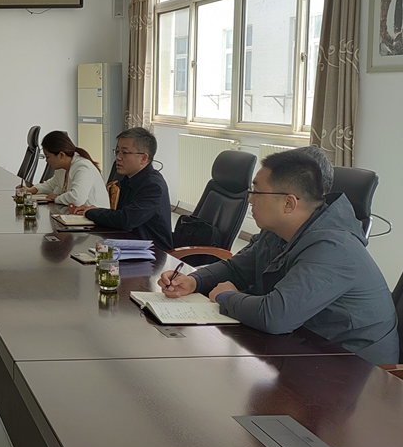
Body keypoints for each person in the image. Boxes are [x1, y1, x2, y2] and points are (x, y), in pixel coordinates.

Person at [159, 149, 398, 366]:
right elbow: (238, 268)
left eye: (256, 192)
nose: (249, 199)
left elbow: (275, 316)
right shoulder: (280, 230)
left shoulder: (334, 246)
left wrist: (226, 297)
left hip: (355, 369)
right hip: (306, 347)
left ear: (288, 203)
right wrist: (194, 280)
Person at [72, 127, 173, 251]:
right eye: (117, 152)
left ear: (144, 158)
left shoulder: (153, 186)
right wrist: (95, 210)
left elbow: (126, 220)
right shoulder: (127, 179)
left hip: (152, 253)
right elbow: (121, 215)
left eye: (124, 153)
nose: (118, 158)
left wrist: (92, 212)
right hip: (128, 244)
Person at [26, 131, 109, 208]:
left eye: (47, 157)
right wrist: (31, 190)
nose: (46, 161)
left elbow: (77, 198)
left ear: (61, 155)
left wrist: (57, 198)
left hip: (94, 217)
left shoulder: (83, 167)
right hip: (76, 214)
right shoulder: (62, 168)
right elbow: (51, 185)